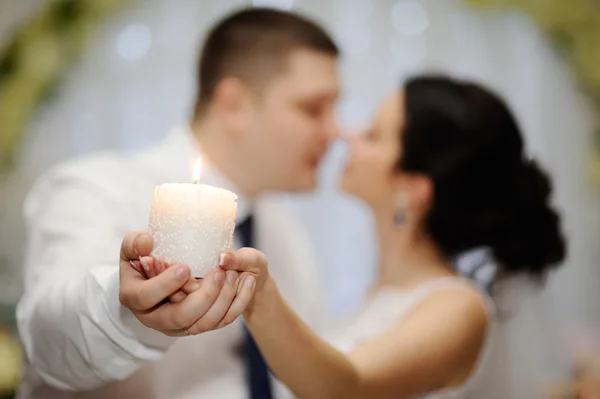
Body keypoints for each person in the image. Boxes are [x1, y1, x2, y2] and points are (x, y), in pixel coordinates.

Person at [16, 8, 340, 399]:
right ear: (233, 104)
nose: (336, 131)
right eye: (313, 108)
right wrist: (126, 312)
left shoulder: (285, 231)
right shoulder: (94, 189)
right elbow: (47, 343)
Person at [213, 75, 567, 398]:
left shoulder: (459, 307)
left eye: (373, 135)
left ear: (413, 188)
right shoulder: (373, 293)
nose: (347, 137)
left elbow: (345, 386)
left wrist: (259, 295)